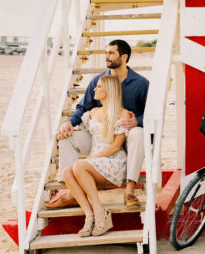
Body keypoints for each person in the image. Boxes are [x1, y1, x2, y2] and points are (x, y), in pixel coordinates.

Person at [46, 39, 149, 210]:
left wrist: (138, 119)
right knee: (66, 138)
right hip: (103, 135)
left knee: (138, 132)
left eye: (111, 53)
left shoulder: (141, 84)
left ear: (124, 57)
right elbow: (83, 107)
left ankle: (130, 190)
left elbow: (152, 113)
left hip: (128, 135)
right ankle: (70, 192)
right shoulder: (98, 81)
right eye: (105, 52)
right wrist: (69, 122)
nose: (106, 56)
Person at [58, 75, 126, 237]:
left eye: (99, 87)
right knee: (66, 172)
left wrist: (91, 160)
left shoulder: (122, 114)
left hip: (113, 161)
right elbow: (77, 123)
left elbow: (116, 146)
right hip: (95, 162)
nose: (94, 89)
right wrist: (67, 127)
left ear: (109, 90)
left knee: (79, 166)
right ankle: (89, 214)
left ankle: (99, 211)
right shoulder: (93, 112)